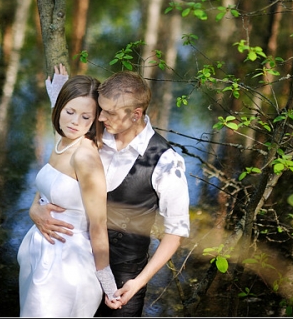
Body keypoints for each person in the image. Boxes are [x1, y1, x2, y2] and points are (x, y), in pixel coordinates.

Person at [30, 66, 190, 317]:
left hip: (125, 278)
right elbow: (59, 160)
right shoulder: (96, 132)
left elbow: (175, 233)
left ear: (136, 115)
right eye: (100, 109)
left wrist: (139, 282)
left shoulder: (167, 162)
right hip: (76, 264)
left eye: (109, 112)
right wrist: (36, 207)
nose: (100, 117)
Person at [18, 74, 122, 318]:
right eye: (69, 112)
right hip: (39, 253)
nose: (75, 122)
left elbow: (98, 225)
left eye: (86, 117)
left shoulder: (85, 158)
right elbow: (48, 187)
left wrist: (109, 286)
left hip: (66, 267)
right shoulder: (63, 139)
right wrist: (34, 209)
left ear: (95, 119)